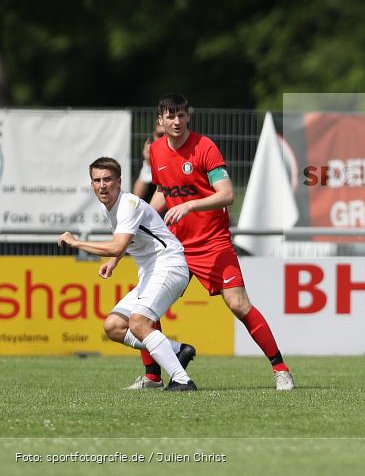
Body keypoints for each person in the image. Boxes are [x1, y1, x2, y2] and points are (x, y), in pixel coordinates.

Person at [117, 93, 295, 391]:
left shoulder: (205, 147)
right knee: (147, 311)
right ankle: (152, 376)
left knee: (238, 304)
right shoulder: (158, 151)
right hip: (175, 248)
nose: (177, 121)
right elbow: (164, 191)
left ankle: (281, 369)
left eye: (182, 115)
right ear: (160, 119)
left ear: (188, 116)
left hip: (213, 243)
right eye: (170, 116)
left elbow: (227, 194)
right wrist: (143, 217)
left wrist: (190, 206)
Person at [57, 157, 197, 391]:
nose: (102, 185)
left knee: (138, 322)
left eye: (108, 180)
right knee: (113, 326)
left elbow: (118, 245)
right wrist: (113, 262)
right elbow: (125, 242)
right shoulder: (108, 206)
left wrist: (76, 242)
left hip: (169, 265)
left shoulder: (128, 204)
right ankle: (176, 350)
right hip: (151, 271)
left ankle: (182, 380)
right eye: (97, 180)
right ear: (92, 184)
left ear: (119, 182)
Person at [132, 124, 167, 201]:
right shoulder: (146, 159)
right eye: (160, 135)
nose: (164, 139)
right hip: (153, 210)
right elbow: (137, 196)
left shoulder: (185, 156)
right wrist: (148, 164)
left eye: (168, 135)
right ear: (154, 135)